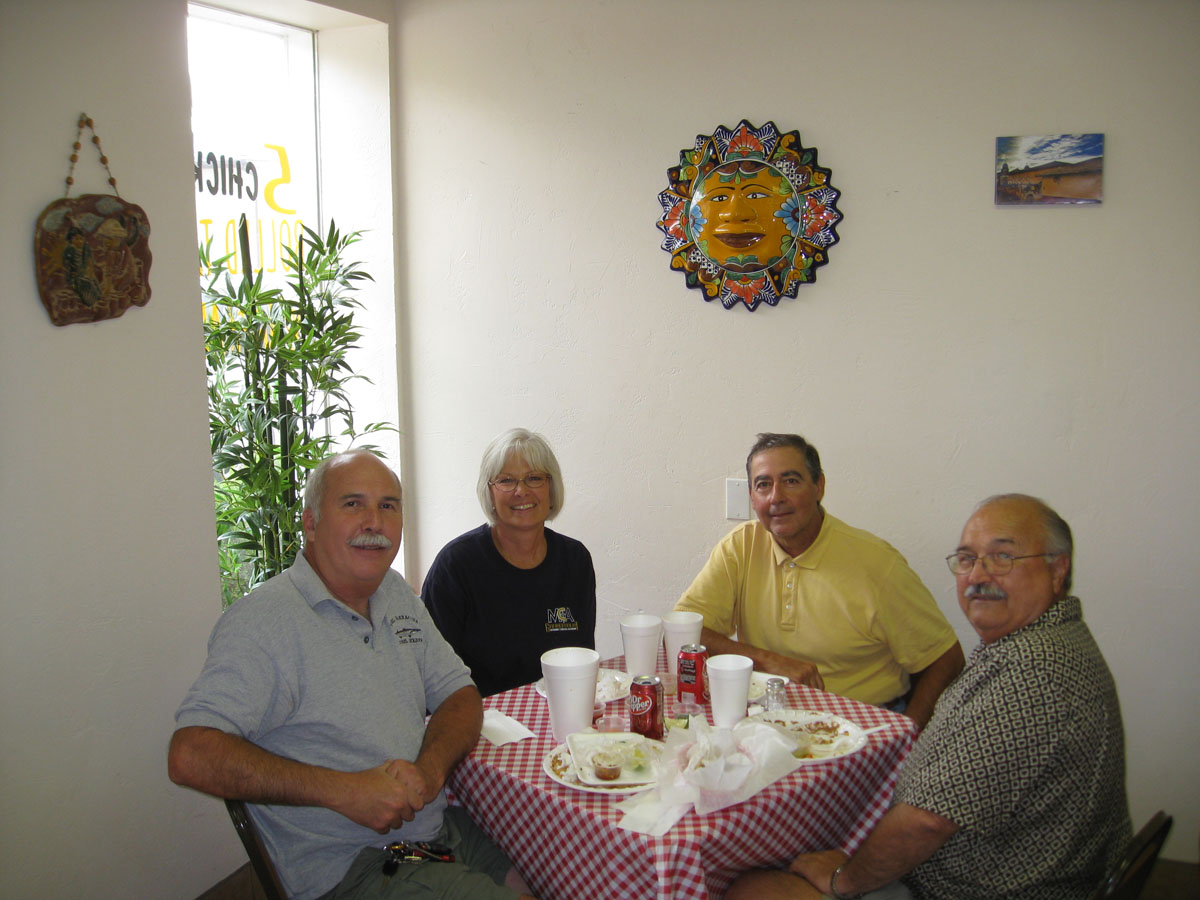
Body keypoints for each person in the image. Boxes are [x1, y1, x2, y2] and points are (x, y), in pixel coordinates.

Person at [168, 450, 536, 900]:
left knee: (553, 872)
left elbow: (459, 693)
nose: (374, 522)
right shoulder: (263, 622)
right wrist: (344, 791)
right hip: (356, 866)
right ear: (311, 523)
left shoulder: (393, 592)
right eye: (352, 504)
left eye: (388, 505)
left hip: (432, 835)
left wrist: (429, 770)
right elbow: (190, 753)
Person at [725, 493, 1131, 900]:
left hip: (973, 888)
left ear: (1057, 570)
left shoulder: (1030, 674)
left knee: (751, 888)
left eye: (1003, 557)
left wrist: (843, 879)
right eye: (967, 559)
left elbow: (927, 822)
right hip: (1010, 866)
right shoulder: (1046, 642)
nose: (978, 575)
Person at [675, 433, 963, 726]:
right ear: (751, 496)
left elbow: (946, 659)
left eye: (791, 481)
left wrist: (907, 736)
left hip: (863, 723)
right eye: (763, 485)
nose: (776, 497)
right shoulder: (740, 547)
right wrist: (770, 662)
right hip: (767, 720)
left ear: (819, 487)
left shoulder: (878, 564)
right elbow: (683, 632)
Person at [422, 428, 596, 697]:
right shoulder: (456, 566)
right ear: (489, 493)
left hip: (561, 708)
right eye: (506, 481)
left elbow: (581, 661)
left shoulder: (575, 561)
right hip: (480, 715)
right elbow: (431, 673)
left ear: (551, 488)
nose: (521, 491)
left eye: (534, 478)